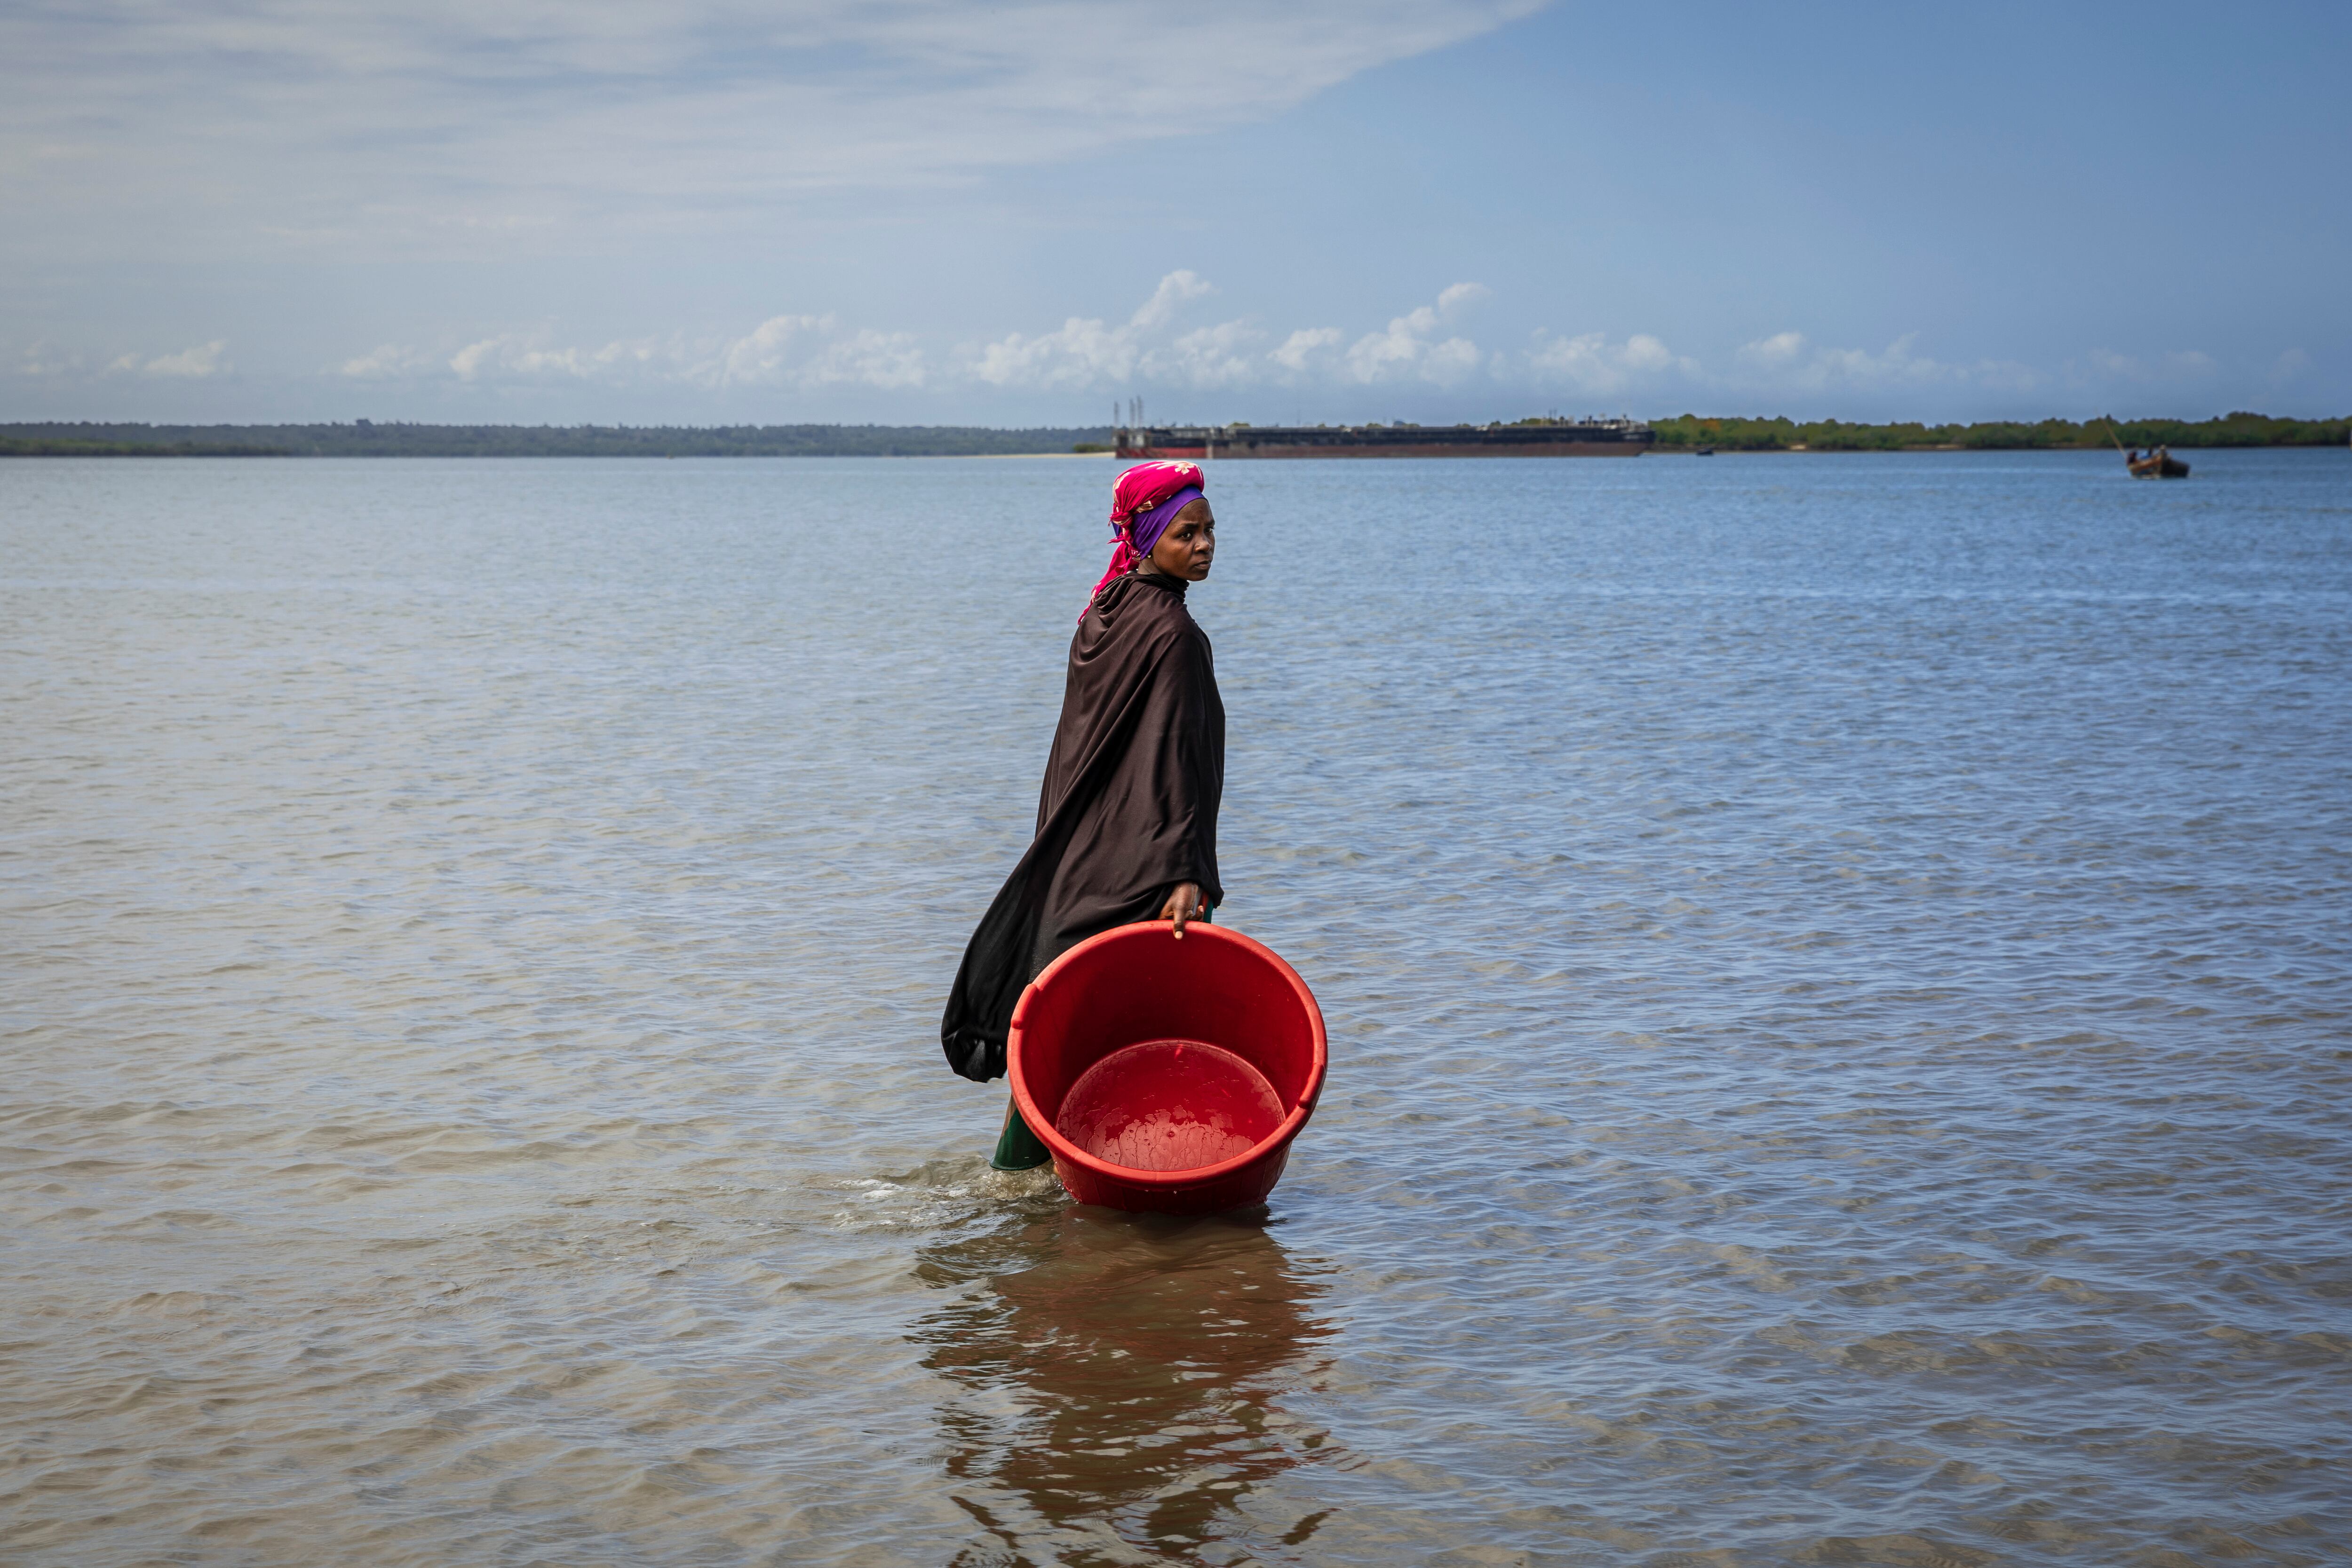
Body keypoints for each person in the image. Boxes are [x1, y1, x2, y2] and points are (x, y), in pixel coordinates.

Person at [941, 460, 1225, 1168]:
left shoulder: (1105, 614)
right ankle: (1141, 1186)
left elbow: (1077, 751)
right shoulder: (1176, 639)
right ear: (1152, 535)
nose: (1205, 545)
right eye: (1186, 533)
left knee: (1058, 1037)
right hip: (1146, 874)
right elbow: (1175, 761)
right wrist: (1186, 872)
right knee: (1139, 1039)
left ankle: (1016, 1188)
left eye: (1211, 530)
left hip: (1074, 864)